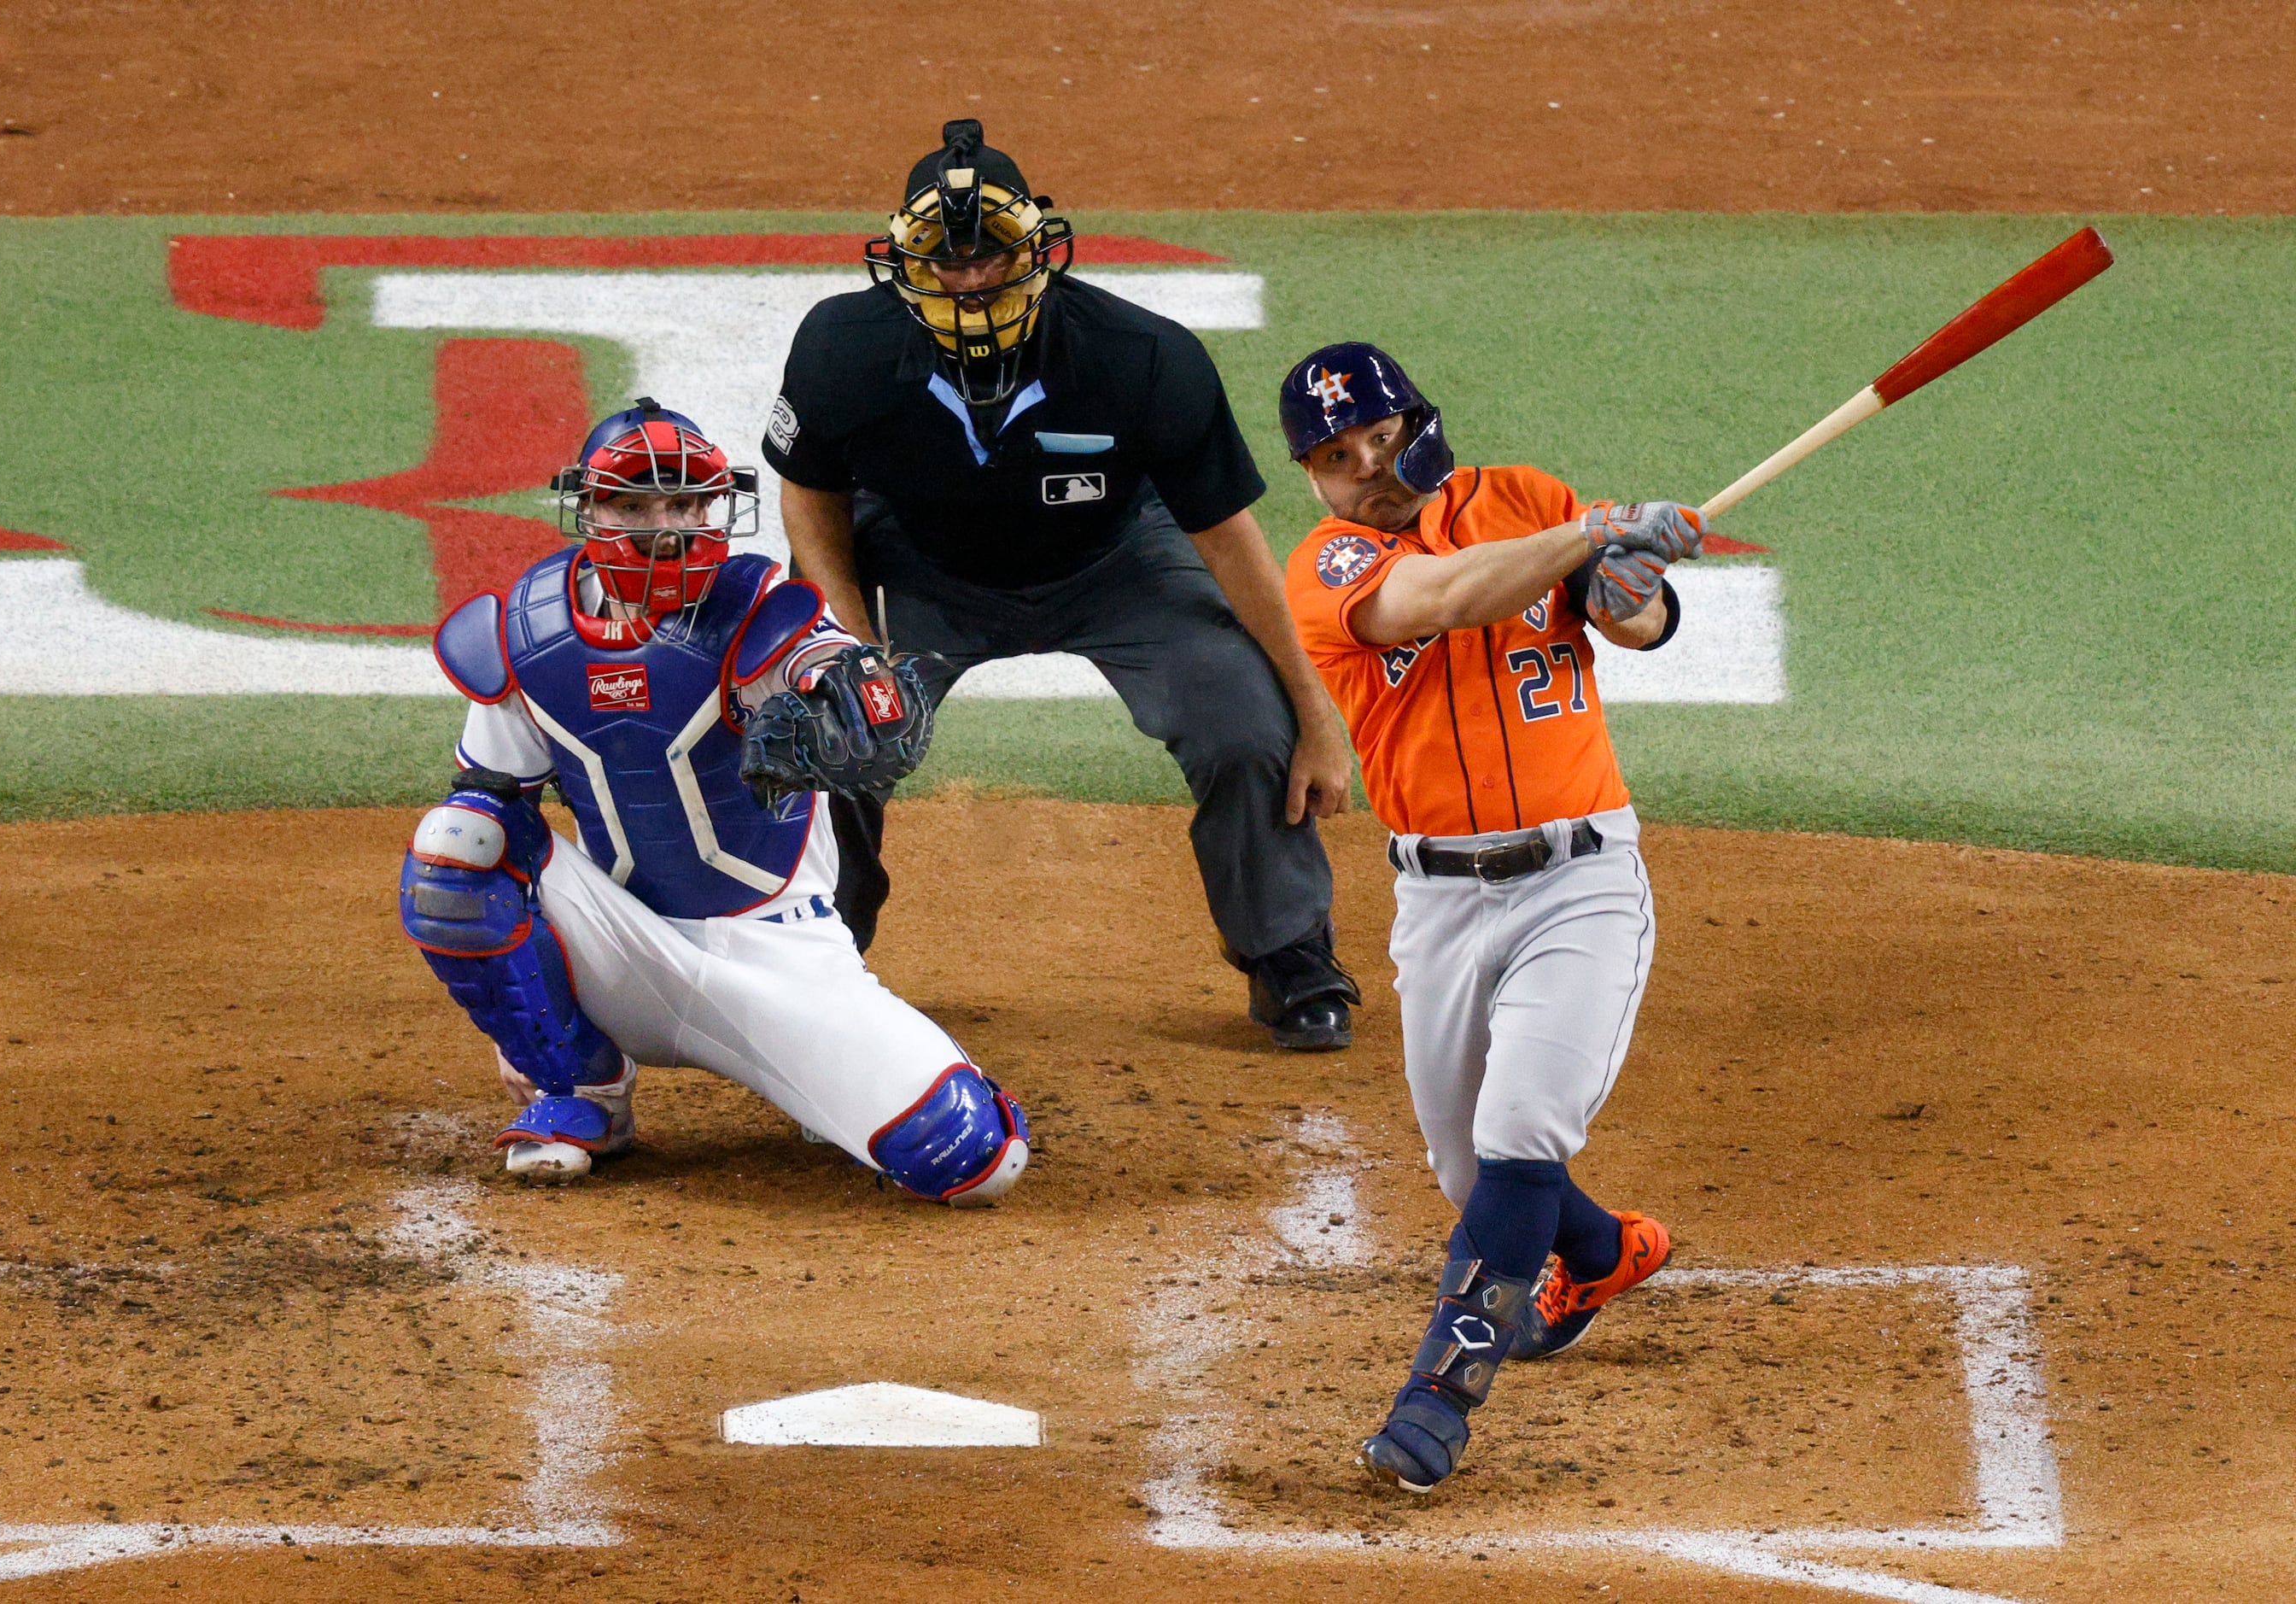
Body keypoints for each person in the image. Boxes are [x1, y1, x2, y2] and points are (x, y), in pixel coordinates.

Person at [765, 117, 1364, 1051]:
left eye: (991, 257)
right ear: (904, 263)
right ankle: (821, 957)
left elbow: (1226, 538)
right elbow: (808, 493)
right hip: (922, 564)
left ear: (1038, 250)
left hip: (1113, 561)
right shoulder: (841, 347)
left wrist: (1313, 711)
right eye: (945, 260)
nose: (970, 280)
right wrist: (840, 646)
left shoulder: (1141, 357)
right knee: (825, 725)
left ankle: (1286, 951)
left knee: (1242, 719)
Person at [397, 396, 1030, 1203]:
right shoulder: (529, 627)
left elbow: (834, 668)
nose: (668, 525)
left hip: (776, 953)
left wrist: (859, 694)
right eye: (635, 503)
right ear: (588, 510)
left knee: (974, 1162)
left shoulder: (758, 606)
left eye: (689, 502)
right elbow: (492, 801)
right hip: (623, 948)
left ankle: (819, 1076)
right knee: (460, 838)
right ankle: (580, 1090)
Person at [1277, 343, 1696, 1491]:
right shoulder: (1327, 566)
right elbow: (1452, 597)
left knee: (1519, 1138)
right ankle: (1604, 1254)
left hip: (1581, 881)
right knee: (1473, 1176)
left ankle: (1437, 1399)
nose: (1364, 467)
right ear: (1313, 479)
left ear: (1417, 417)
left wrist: (1631, 585)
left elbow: (1638, 623)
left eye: (1375, 434)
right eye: (1333, 457)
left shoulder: (1529, 498)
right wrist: (1594, 534)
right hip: (1440, 901)